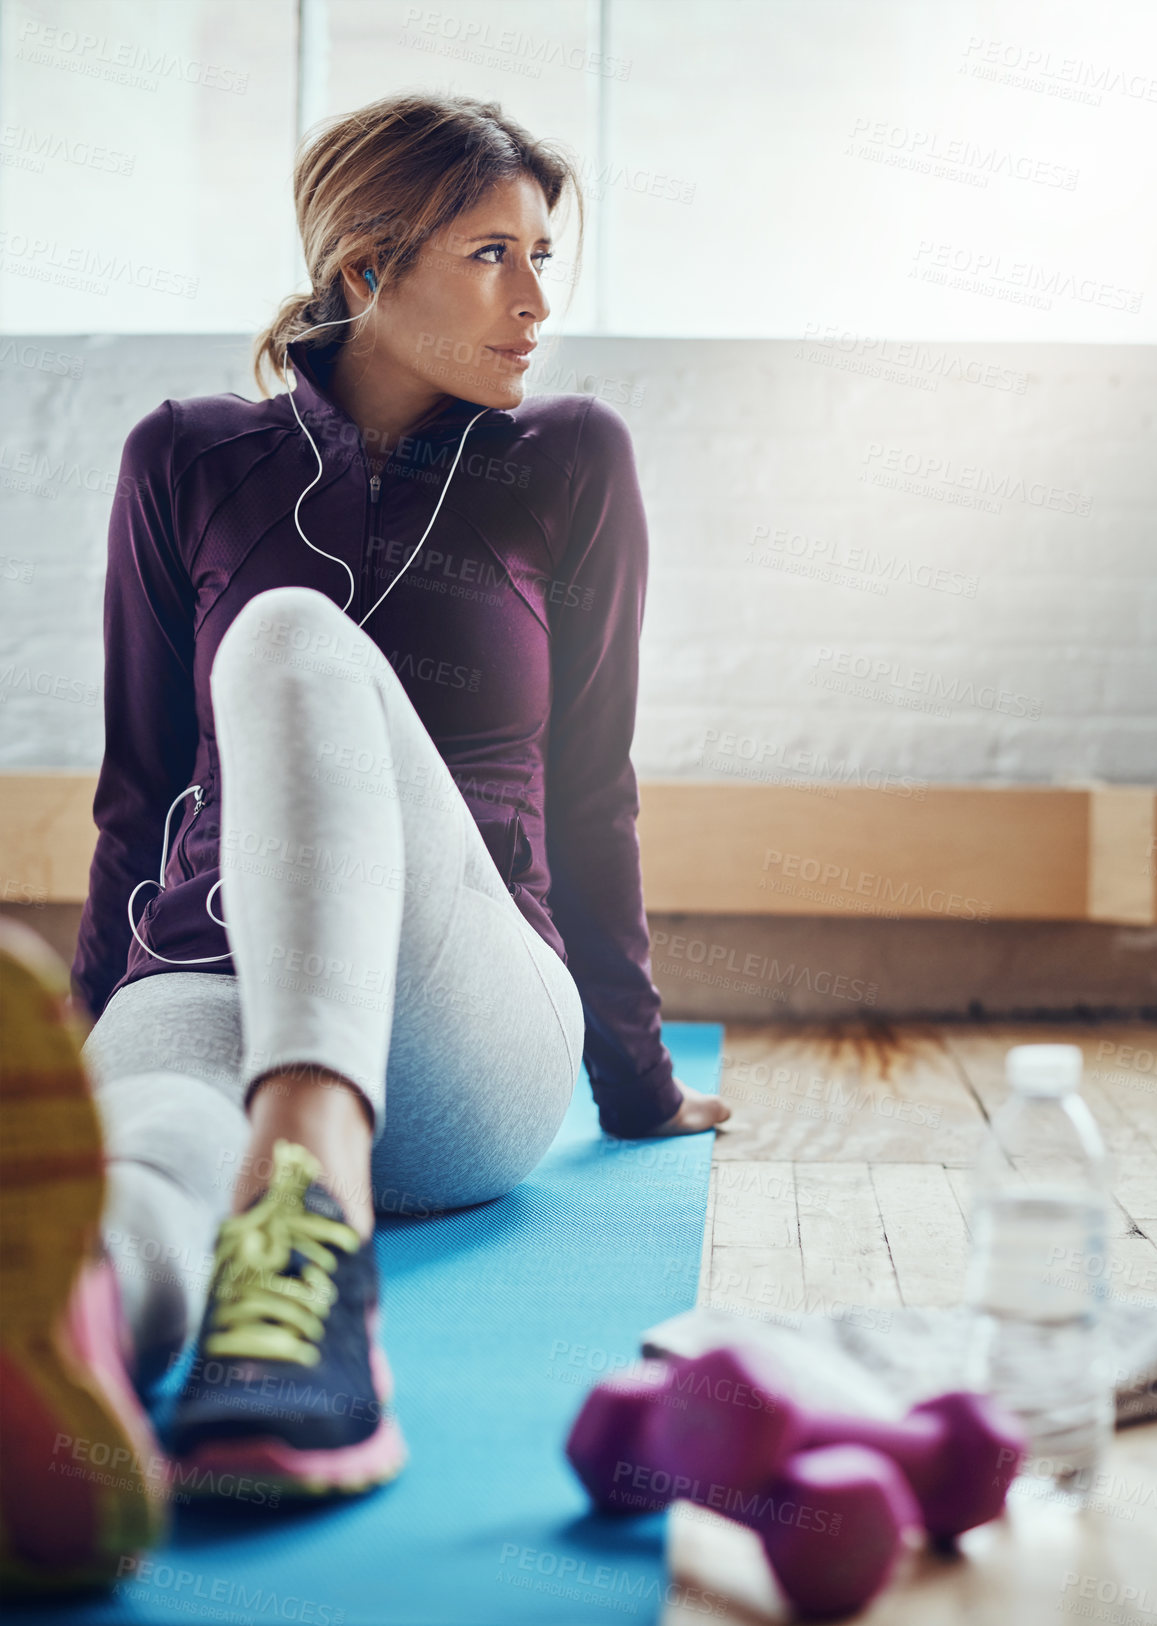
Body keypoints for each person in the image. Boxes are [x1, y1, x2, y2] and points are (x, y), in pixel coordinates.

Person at [0, 90, 730, 1593]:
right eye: (490, 256)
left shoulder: (569, 461)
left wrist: (636, 1079)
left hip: (462, 1018)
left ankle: (310, 1199)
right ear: (364, 269)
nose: (538, 301)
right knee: (157, 1157)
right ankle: (76, 1314)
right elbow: (141, 792)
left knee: (285, 635)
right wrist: (70, 1079)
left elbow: (593, 788)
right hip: (208, 977)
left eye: (545, 253)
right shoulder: (188, 457)